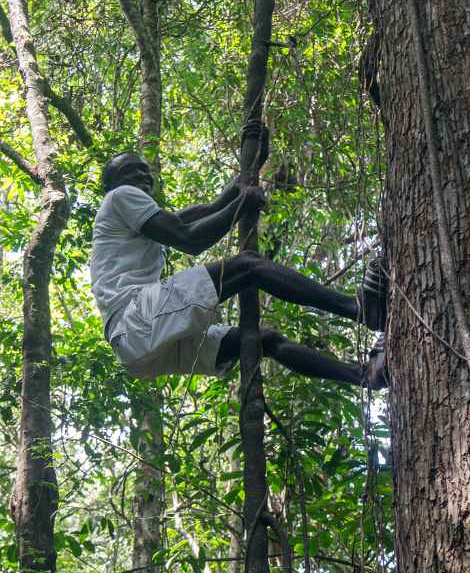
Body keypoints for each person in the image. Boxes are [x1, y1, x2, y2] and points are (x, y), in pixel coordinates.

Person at [91, 127, 388, 388]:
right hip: (136, 318)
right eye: (132, 171)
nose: (143, 175)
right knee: (248, 266)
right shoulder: (120, 197)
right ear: (112, 184)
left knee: (264, 341)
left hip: (135, 348)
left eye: (146, 171)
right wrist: (241, 206)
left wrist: (253, 163)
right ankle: (359, 309)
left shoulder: (137, 222)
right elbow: (189, 238)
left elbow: (208, 209)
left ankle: (365, 376)